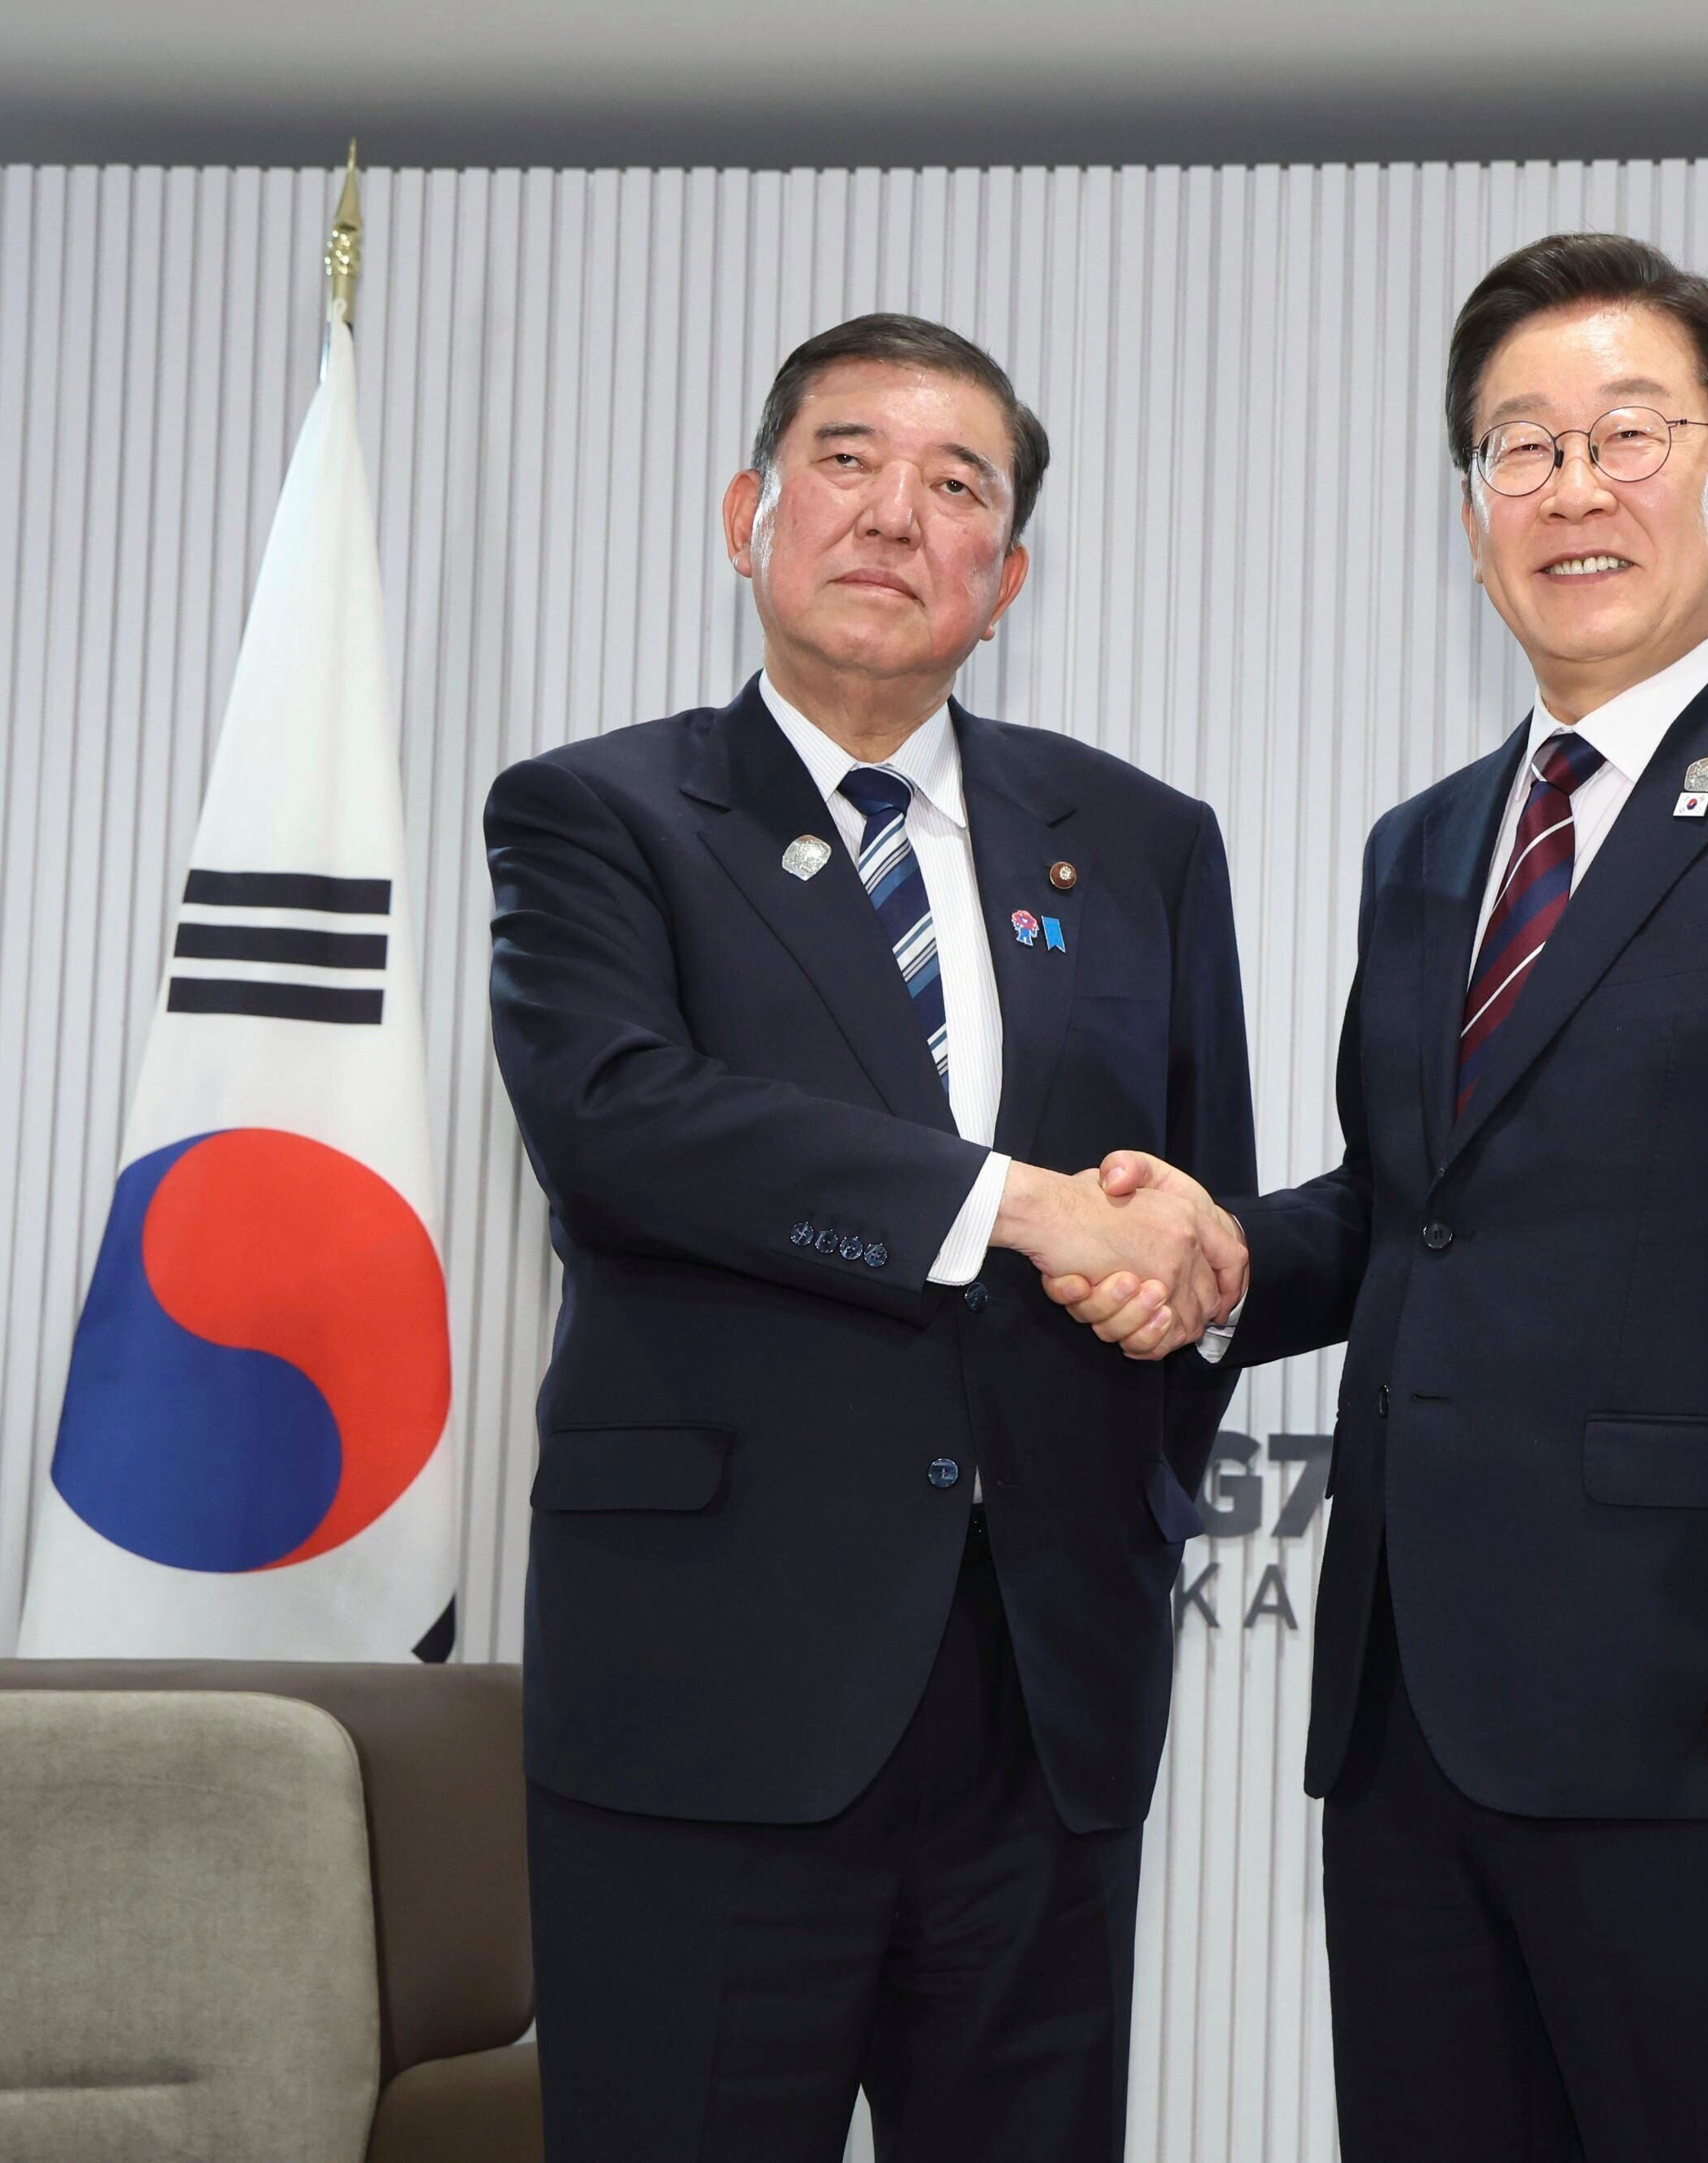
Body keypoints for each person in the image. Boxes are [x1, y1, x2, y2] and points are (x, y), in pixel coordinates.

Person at [1052, 234, 1708, 2162]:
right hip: (1413, 1708)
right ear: (1471, 513)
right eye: (1519, 448)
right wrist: (1219, 1248)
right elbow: (1419, 1208)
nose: (1572, 488)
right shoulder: (1426, 844)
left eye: (1627, 435)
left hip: (1707, 1700)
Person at [486, 312, 1255, 2163]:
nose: (894, 514)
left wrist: (1181, 1292)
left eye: (956, 485)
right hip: (714, 1689)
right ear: (746, 513)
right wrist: (1015, 1204)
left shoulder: (1141, 840)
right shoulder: (599, 813)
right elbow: (620, 1126)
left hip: (1043, 1703)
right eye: (846, 462)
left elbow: (1188, 1202)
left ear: (1004, 575)